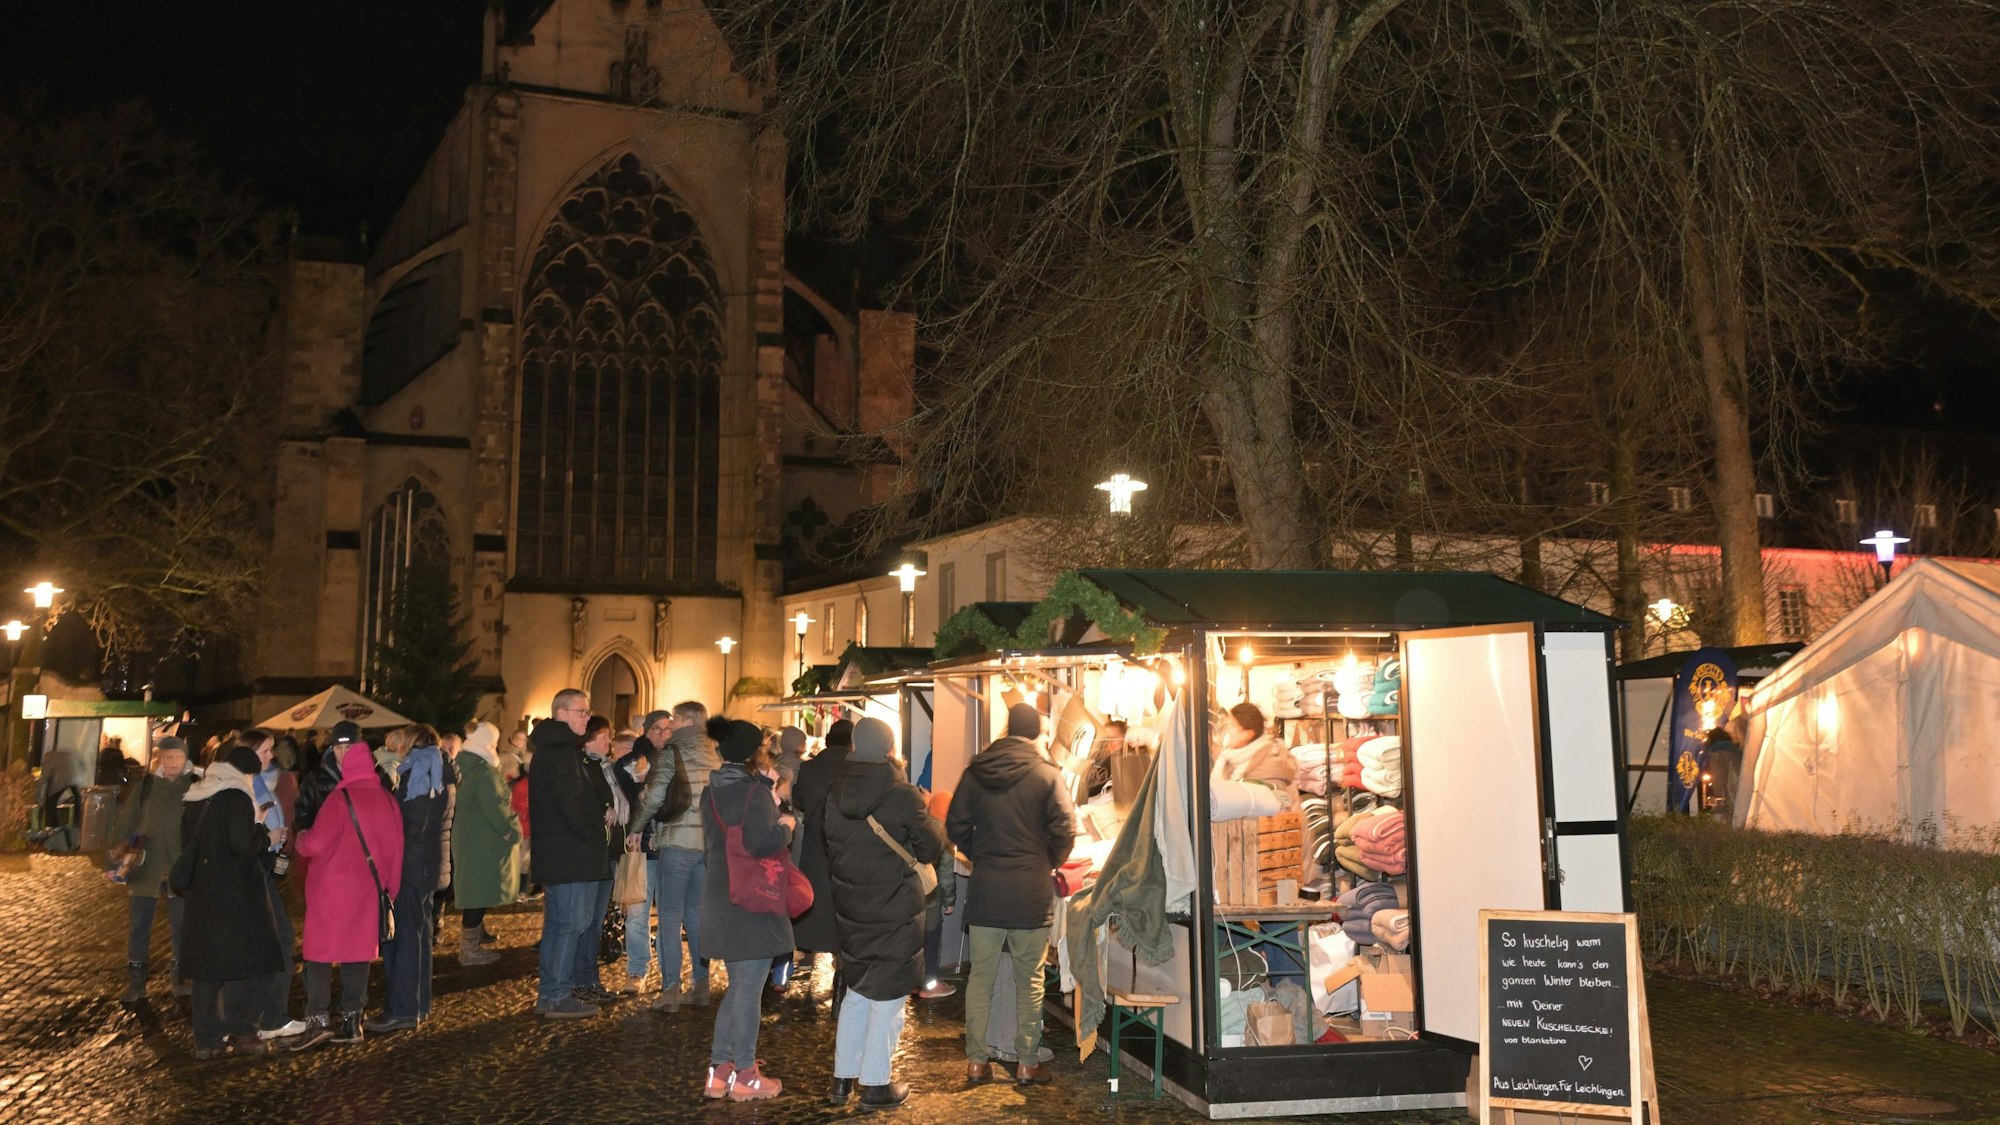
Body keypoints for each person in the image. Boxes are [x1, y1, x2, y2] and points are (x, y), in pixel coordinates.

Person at [946, 703, 1076, 1087]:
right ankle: (1026, 1062)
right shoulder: (1046, 773)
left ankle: (976, 1060)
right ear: (1036, 733)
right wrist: (1047, 860)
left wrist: (980, 853)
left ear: (1006, 730)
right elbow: (1065, 828)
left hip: (986, 890)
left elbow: (954, 825)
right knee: (1030, 980)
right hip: (1029, 892)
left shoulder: (976, 771)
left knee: (980, 978)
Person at [821, 718, 945, 1110]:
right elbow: (929, 848)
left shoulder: (834, 791)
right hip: (893, 909)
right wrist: (930, 814)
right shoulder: (903, 794)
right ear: (891, 749)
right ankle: (876, 1084)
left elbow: (830, 845)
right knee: (888, 998)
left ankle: (842, 1080)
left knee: (857, 990)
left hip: (851, 907)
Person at [701, 719, 794, 1101]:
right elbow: (761, 843)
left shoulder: (711, 791)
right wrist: (786, 826)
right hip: (752, 902)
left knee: (738, 989)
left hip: (721, 897)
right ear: (753, 753)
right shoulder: (753, 794)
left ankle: (719, 1071)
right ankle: (745, 1074)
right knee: (747, 992)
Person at [291, 737, 403, 1051]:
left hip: (331, 891)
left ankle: (318, 1021)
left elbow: (314, 844)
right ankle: (352, 1022)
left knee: (319, 955)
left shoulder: (340, 800)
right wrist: (389, 889)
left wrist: (300, 839)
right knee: (357, 956)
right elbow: (397, 851)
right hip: (368, 890)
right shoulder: (389, 799)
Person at [179, 742, 287, 1059]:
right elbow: (242, 844)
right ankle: (244, 1028)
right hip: (236, 894)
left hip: (203, 893)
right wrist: (265, 833)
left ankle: (207, 1040)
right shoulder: (237, 795)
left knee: (208, 970)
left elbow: (189, 839)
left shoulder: (199, 793)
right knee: (265, 959)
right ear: (248, 772)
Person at [528, 689, 612, 1020]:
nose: (587, 717)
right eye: (581, 711)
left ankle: (553, 993)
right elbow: (571, 806)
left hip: (564, 854)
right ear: (561, 713)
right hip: (570, 855)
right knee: (568, 924)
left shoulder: (557, 751)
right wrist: (593, 831)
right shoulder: (561, 754)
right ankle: (555, 995)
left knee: (563, 924)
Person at [629, 700, 717, 1011]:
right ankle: (702, 985)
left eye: (675, 719)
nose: (672, 724)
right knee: (696, 915)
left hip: (677, 841)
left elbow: (654, 797)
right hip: (707, 845)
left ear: (686, 720)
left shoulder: (671, 752)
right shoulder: (714, 751)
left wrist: (636, 827)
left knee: (668, 917)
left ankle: (670, 991)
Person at [371, 724, 448, 1033]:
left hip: (413, 865)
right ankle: (419, 1004)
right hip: (431, 864)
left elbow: (409, 823)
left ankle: (402, 1009)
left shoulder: (420, 771)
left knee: (405, 939)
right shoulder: (441, 767)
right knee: (420, 936)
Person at [110, 736, 195, 1006]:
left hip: (181, 866)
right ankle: (136, 983)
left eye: (176, 757)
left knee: (183, 927)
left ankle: (180, 978)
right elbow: (125, 821)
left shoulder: (196, 787)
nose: (171, 762)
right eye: (166, 757)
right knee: (139, 927)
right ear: (158, 759)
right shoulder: (146, 786)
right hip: (145, 864)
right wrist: (112, 858)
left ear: (185, 759)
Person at [241, 728, 308, 1042]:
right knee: (278, 938)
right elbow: (239, 833)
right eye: (266, 751)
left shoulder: (256, 780)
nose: (272, 756)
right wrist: (267, 838)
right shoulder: (242, 785)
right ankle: (265, 1018)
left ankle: (260, 1017)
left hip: (262, 868)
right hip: (251, 870)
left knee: (272, 939)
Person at [790, 719, 853, 980]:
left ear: (827, 741)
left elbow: (799, 800)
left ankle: (812, 952)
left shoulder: (809, 768)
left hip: (816, 844)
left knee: (819, 901)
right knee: (846, 905)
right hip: (849, 846)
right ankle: (843, 967)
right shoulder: (856, 767)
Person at [452, 721, 518, 966]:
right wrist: (512, 831)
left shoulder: (461, 763)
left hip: (468, 835)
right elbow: (495, 807)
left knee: (474, 889)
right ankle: (469, 950)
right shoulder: (483, 771)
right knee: (477, 893)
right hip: (482, 839)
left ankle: (475, 938)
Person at [579, 718, 629, 1000]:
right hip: (594, 853)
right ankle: (582, 980)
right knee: (587, 921)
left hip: (608, 852)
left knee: (595, 921)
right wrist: (604, 810)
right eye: (603, 737)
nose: (608, 742)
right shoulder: (586, 767)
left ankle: (590, 979)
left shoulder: (604, 767)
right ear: (588, 740)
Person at [608, 728, 652, 989]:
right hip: (633, 851)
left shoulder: (646, 770)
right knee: (636, 913)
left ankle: (675, 976)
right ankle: (637, 970)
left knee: (661, 916)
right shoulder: (620, 773)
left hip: (645, 849)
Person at [916, 787, 959, 1000]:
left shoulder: (919, 826)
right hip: (931, 900)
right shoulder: (944, 836)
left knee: (914, 940)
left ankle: (914, 981)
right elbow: (946, 874)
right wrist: (950, 901)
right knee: (931, 942)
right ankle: (929, 984)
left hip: (912, 896)